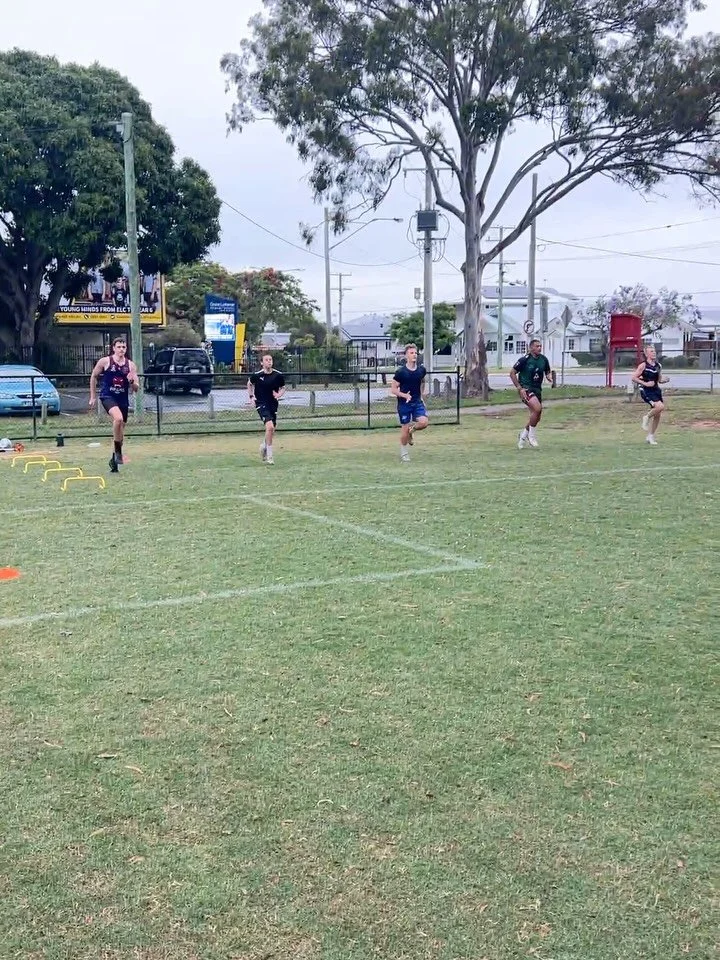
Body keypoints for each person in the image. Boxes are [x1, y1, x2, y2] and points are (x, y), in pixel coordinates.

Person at [89, 337, 139, 472]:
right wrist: (93, 396)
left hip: (122, 399)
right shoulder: (105, 361)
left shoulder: (131, 365)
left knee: (120, 434)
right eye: (119, 347)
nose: (121, 349)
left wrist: (131, 382)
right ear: (114, 348)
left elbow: (136, 388)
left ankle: (114, 461)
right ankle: (118, 453)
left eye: (124, 347)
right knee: (118, 418)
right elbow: (93, 376)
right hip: (108, 396)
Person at [510, 339, 554, 449]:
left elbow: (547, 371)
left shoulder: (544, 359)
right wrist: (520, 388)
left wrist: (548, 376)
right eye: (537, 346)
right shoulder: (525, 360)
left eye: (540, 346)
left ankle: (523, 435)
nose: (539, 348)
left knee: (536, 416)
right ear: (531, 348)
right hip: (526, 389)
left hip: (537, 390)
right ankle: (532, 436)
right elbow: (512, 373)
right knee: (537, 409)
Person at [391, 343, 429, 462]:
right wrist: (404, 395)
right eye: (411, 353)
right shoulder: (401, 372)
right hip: (404, 404)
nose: (414, 355)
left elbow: (422, 382)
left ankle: (412, 431)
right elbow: (393, 389)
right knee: (404, 431)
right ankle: (403, 451)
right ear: (406, 355)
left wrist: (422, 396)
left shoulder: (421, 370)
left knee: (424, 422)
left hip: (417, 402)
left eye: (415, 353)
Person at [248, 354, 286, 465]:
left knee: (272, 429)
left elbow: (283, 387)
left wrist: (278, 395)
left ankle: (264, 446)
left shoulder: (278, 375)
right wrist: (251, 397)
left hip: (273, 404)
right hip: (261, 403)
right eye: (266, 360)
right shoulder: (257, 375)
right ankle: (270, 456)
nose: (269, 361)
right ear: (262, 363)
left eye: (270, 360)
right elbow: (249, 384)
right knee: (269, 427)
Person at [631, 345, 670, 445]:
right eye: (651, 351)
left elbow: (659, 380)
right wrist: (645, 383)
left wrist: (665, 380)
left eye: (654, 351)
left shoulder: (658, 366)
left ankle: (650, 436)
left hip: (656, 390)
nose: (654, 353)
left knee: (658, 413)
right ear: (646, 354)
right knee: (660, 407)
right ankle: (646, 417)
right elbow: (634, 378)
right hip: (646, 390)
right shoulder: (643, 365)